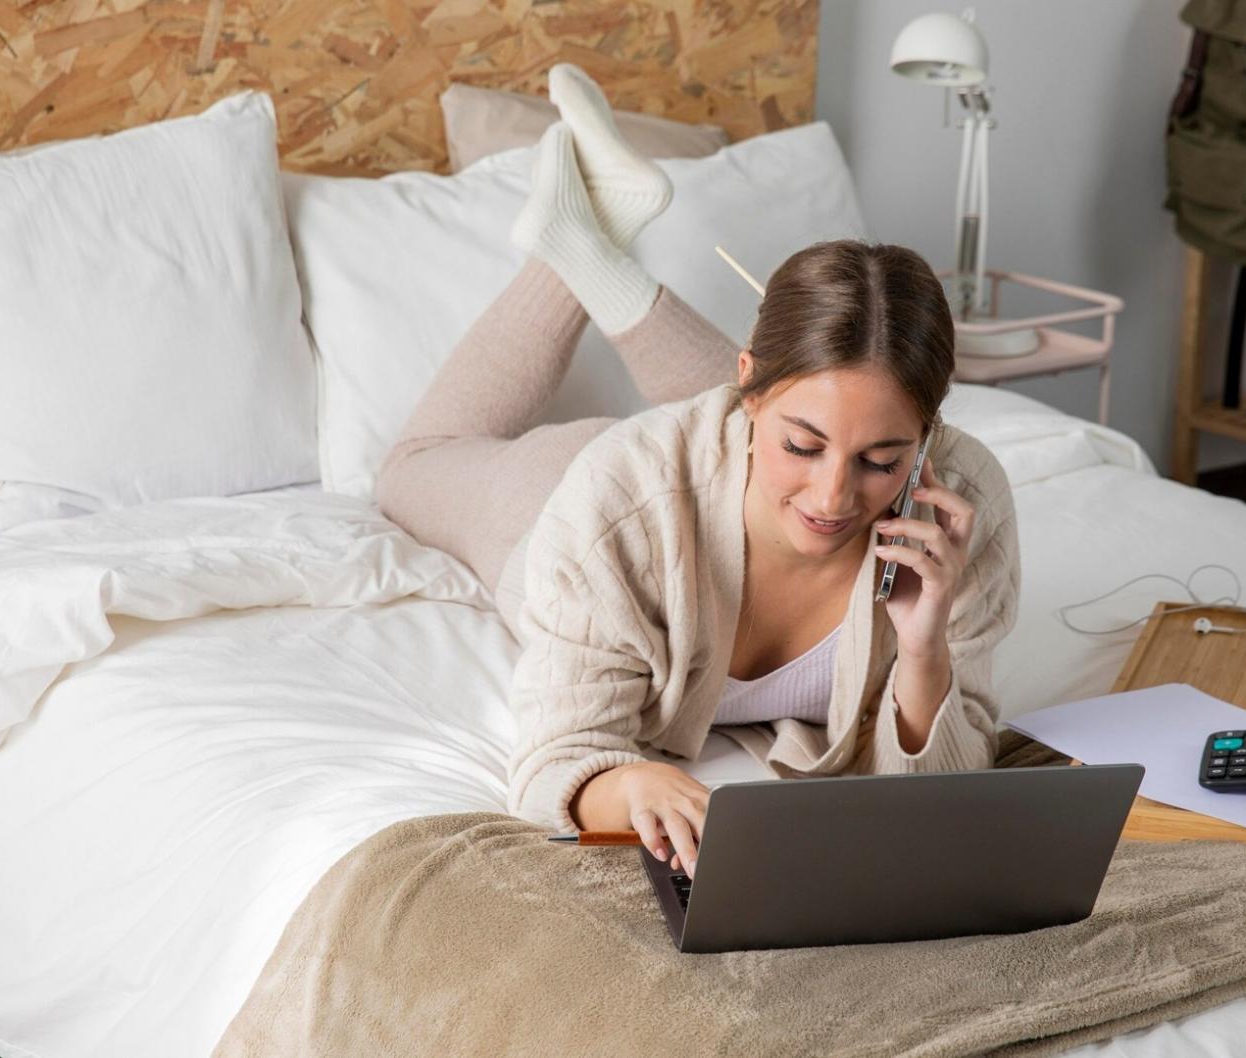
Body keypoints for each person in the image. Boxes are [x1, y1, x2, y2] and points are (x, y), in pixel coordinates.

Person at [377, 65, 1020, 880]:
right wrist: (627, 780)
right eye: (804, 447)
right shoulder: (612, 505)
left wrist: (926, 649)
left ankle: (595, 236)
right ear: (745, 386)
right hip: (560, 498)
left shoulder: (964, 499)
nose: (832, 498)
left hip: (714, 447)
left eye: (881, 461)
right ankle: (572, 250)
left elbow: (951, 793)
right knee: (414, 465)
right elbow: (551, 765)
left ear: (929, 434)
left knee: (815, 403)